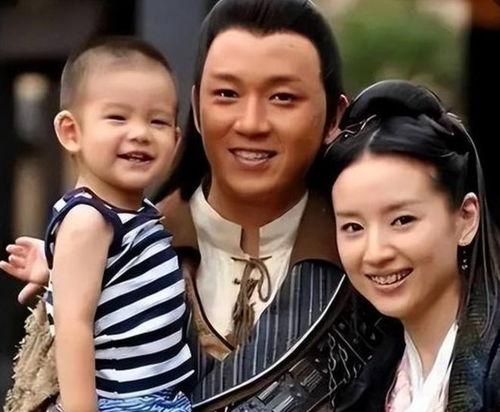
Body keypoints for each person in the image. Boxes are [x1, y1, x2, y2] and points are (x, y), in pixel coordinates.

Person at [2, 1, 390, 410]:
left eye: (283, 97)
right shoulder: (112, 250)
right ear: (197, 109)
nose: (251, 123)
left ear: (334, 117)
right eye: (226, 94)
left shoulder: (369, 264)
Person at [4, 36, 195, 411]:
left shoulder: (134, 212)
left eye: (157, 121)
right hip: (122, 403)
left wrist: (53, 268)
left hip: (159, 398)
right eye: (118, 118)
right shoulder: (89, 220)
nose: (140, 133)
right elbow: (73, 328)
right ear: (71, 132)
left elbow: (110, 280)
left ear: (175, 140)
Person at [323, 79, 500, 411]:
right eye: (353, 227)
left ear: (466, 218)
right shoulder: (365, 381)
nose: (375, 253)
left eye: (402, 220)